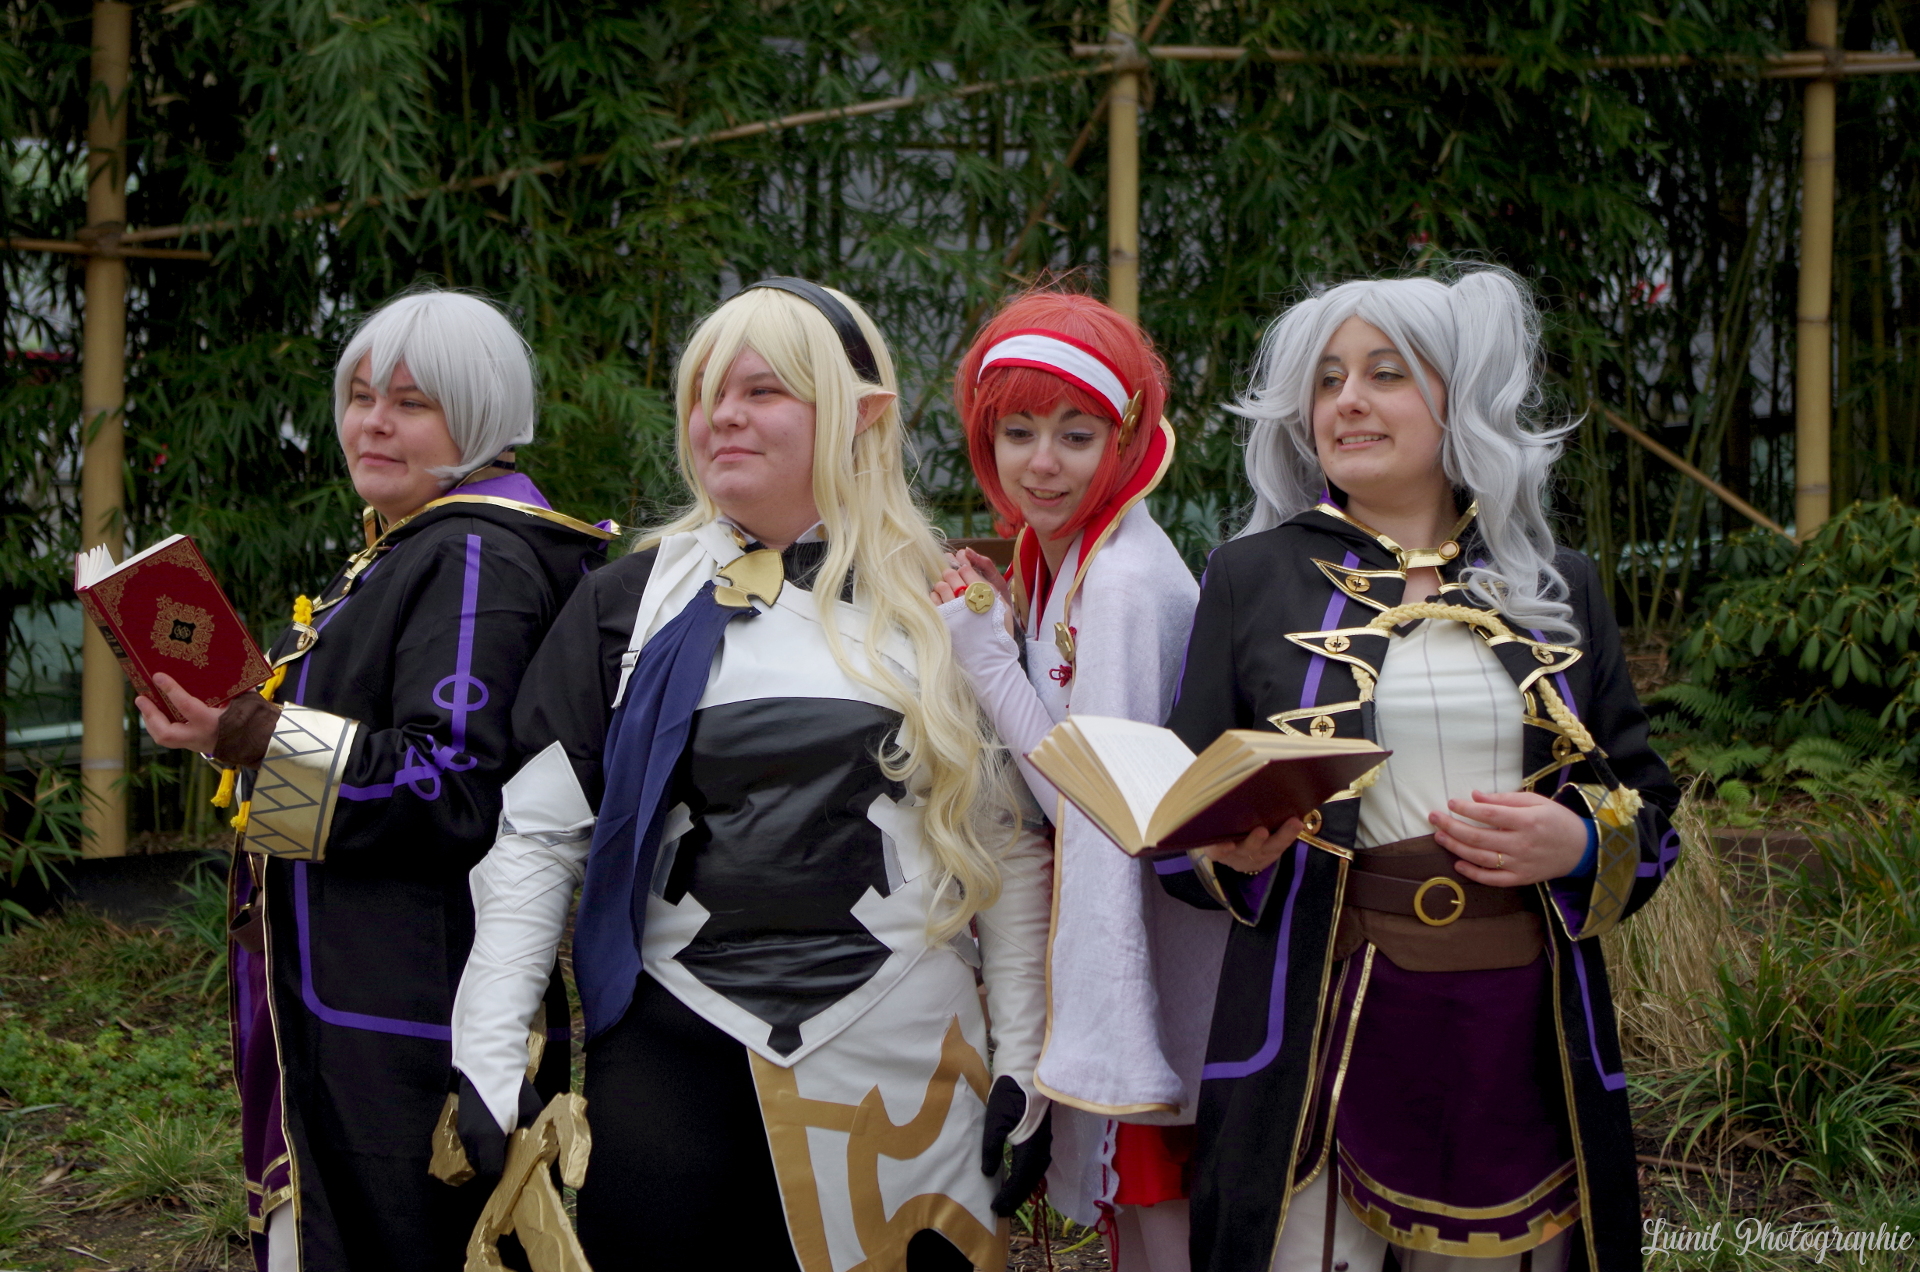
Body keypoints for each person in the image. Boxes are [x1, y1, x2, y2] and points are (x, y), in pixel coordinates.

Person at [447, 279, 1052, 1272]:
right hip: (673, 1053)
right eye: (704, 392)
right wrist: (487, 1045)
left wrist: (1024, 1061)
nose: (720, 416)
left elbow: (1011, 843)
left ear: (859, 415)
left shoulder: (948, 607)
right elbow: (539, 837)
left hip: (907, 1065)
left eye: (763, 390)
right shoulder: (625, 606)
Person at [1162, 267, 1679, 1272]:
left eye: (1385, 374)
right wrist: (1226, 852)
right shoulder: (1249, 577)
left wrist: (1580, 843)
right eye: (1328, 380)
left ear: (1461, 396)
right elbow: (1175, 810)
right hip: (1318, 1020)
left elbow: (1649, 807)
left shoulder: (1557, 585)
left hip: (1520, 1032)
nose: (1347, 401)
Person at [133, 289, 613, 1270]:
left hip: (410, 1023)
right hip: (359, 1000)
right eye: (359, 397)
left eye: (410, 402)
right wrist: (233, 738)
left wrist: (255, 736)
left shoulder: (473, 553)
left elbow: (452, 785)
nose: (373, 423)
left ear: (480, 413)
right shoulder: (418, 546)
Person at [931, 290, 1228, 1270]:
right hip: (1130, 938)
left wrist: (985, 656)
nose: (1043, 463)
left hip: (1151, 955)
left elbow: (1094, 802)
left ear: (1126, 438)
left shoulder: (1124, 581)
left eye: (1076, 434)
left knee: (1160, 1213)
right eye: (1017, 433)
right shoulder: (1065, 553)